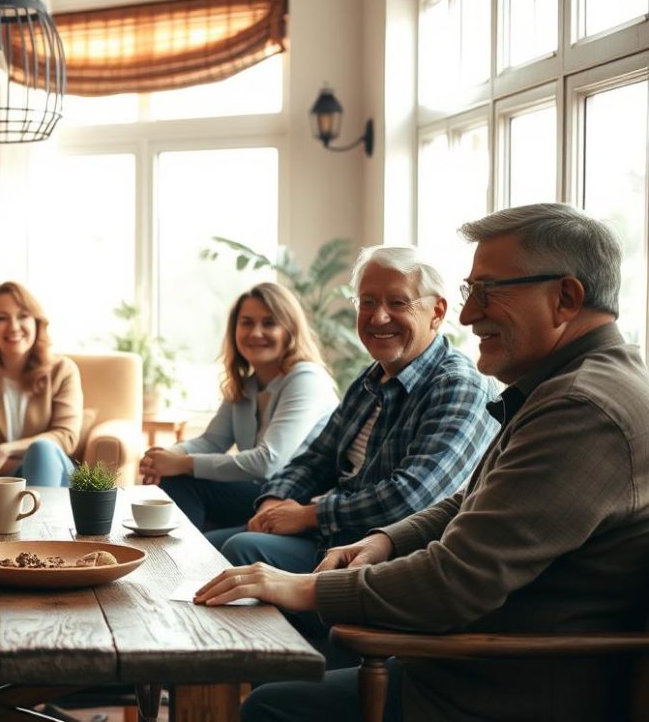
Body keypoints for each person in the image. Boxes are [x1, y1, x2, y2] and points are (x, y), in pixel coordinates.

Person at [201, 204, 649, 721]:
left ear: (565, 297)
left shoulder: (581, 409)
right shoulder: (577, 385)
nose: (468, 314)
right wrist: (387, 539)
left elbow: (452, 581)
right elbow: (473, 499)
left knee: (272, 706)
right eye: (469, 291)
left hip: (498, 685)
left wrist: (301, 586)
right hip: (476, 657)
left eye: (488, 290)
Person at [215, 247, 498, 569]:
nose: (378, 317)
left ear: (437, 312)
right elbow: (316, 458)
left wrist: (309, 515)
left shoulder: (460, 387)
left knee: (238, 550)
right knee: (206, 550)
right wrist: (273, 500)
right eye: (367, 302)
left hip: (374, 558)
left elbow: (410, 497)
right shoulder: (372, 377)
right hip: (327, 535)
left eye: (398, 302)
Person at [141, 283, 338, 534]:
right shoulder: (246, 384)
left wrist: (182, 462)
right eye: (246, 323)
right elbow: (211, 441)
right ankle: (180, 552)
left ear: (290, 330)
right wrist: (163, 457)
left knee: (181, 477)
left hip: (292, 500)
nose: (256, 332)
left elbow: (268, 463)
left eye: (269, 323)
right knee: (174, 477)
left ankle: (181, 555)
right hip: (257, 492)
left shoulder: (307, 378)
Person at [0, 282, 83, 487]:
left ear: (36, 322)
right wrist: (14, 467)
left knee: (42, 451)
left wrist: (5, 450)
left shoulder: (63, 370)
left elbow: (65, 437)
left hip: (55, 474)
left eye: (23, 316)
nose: (13, 327)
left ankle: (35, 519)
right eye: (2, 318)